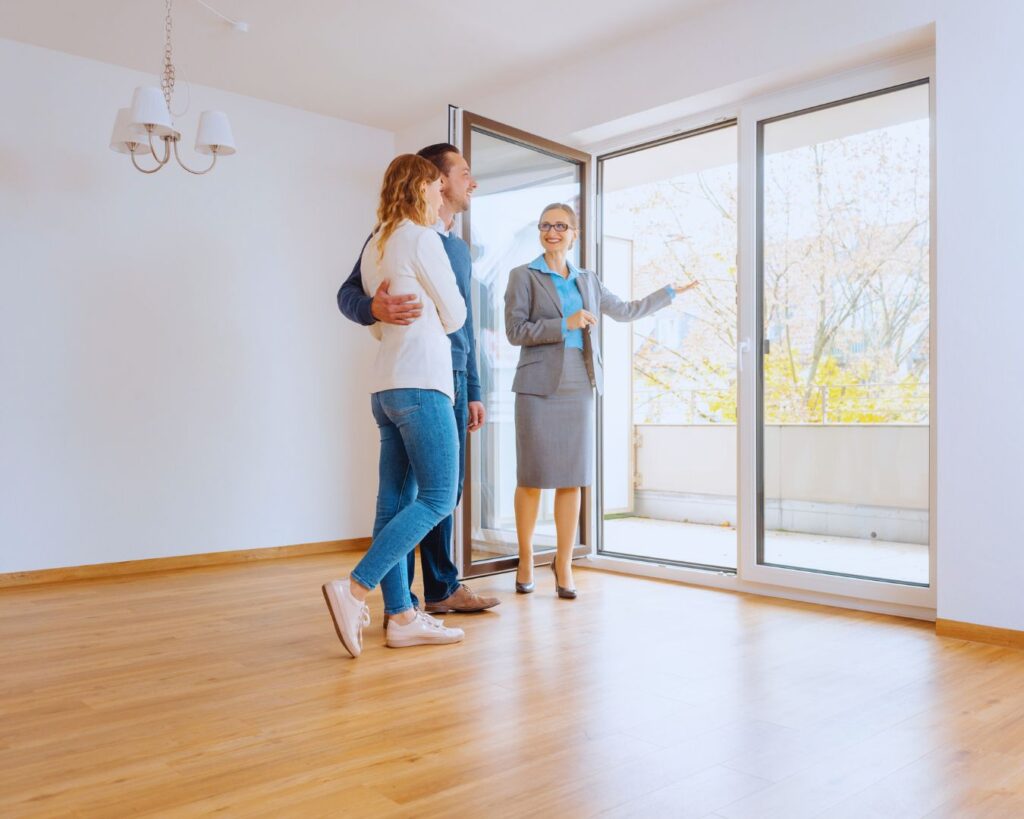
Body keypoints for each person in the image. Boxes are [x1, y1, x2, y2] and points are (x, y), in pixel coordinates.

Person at [336, 144, 499, 618]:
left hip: (423, 378)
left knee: (413, 496)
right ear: (435, 180)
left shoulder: (442, 245)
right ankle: (365, 590)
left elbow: (466, 330)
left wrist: (473, 388)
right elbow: (352, 295)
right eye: (463, 172)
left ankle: (420, 601)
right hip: (424, 375)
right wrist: (373, 308)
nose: (472, 182)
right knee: (437, 495)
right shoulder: (402, 238)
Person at [504, 203, 698, 598]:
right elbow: (514, 330)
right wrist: (565, 323)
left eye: (561, 226)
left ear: (574, 233)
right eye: (546, 226)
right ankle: (526, 558)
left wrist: (670, 292)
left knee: (572, 477)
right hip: (537, 385)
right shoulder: (522, 276)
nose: (552, 232)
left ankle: (563, 563)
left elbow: (626, 311)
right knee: (532, 477)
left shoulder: (587, 280)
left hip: (579, 380)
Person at [322, 154, 468, 656]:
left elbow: (379, 322)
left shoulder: (377, 244)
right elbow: (455, 314)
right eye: (434, 184)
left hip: (386, 387)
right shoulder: (421, 237)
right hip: (423, 381)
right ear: (422, 187)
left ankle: (402, 615)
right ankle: (355, 588)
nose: (439, 192)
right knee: (438, 497)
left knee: (394, 501)